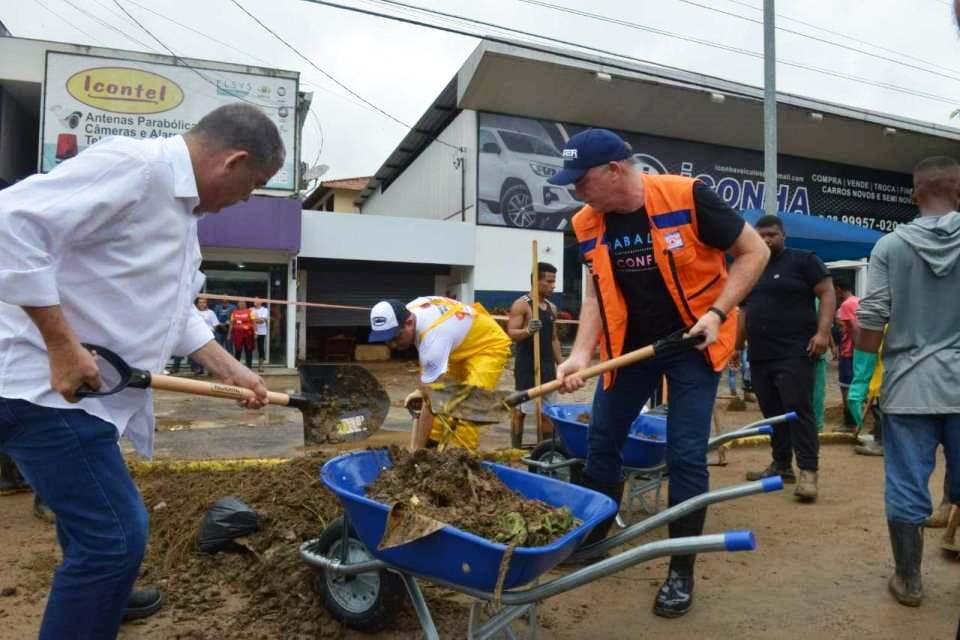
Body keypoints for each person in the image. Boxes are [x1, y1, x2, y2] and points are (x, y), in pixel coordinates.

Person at [0, 102, 279, 639]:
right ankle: (100, 595)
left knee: (97, 529)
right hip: (43, 388)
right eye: (254, 184)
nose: (247, 198)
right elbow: (12, 223)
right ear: (234, 161)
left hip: (87, 396)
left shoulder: (185, 221)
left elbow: (174, 317)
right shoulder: (136, 167)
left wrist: (232, 372)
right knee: (116, 537)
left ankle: (109, 595)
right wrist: (61, 344)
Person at [548, 129, 769, 618]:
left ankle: (680, 570)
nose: (574, 191)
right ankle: (596, 534)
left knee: (686, 455)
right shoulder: (588, 222)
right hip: (631, 348)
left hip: (693, 345)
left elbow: (755, 252)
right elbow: (594, 296)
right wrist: (581, 354)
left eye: (580, 180)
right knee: (601, 438)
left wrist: (716, 312)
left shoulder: (687, 197)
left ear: (615, 170)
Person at [856, 155, 960, 607]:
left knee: (905, 483)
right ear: (958, 192)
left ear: (915, 194)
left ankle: (909, 581)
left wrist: (867, 345)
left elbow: (871, 324)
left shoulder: (890, 247)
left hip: (909, 387)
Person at [740, 215, 835, 501]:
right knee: (772, 412)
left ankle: (808, 472)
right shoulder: (751, 265)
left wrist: (822, 333)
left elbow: (827, 292)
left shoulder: (804, 261)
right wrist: (735, 347)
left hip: (795, 351)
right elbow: (743, 311)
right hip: (759, 354)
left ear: (784, 235)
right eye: (762, 235)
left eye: (772, 234)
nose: (767, 240)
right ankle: (781, 465)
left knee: (797, 410)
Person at [368, 296, 512, 452]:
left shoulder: (433, 338)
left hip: (488, 346)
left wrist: (417, 451)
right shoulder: (410, 310)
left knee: (468, 410)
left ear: (409, 323)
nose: (392, 345)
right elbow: (429, 381)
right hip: (459, 346)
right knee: (442, 406)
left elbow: (430, 403)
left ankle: (461, 460)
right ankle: (432, 451)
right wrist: (421, 391)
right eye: (386, 340)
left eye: (395, 337)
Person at [506, 262, 563, 447]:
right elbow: (511, 333)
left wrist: (561, 364)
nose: (554, 285)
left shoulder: (552, 308)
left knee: (548, 412)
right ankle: (515, 449)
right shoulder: (522, 305)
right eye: (549, 281)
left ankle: (546, 449)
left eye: (554, 281)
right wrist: (528, 331)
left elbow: (554, 339)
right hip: (527, 367)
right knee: (521, 410)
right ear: (537, 282)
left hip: (547, 367)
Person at [835, 278, 860, 431]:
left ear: (838, 289)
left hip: (849, 352)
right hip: (856, 352)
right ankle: (855, 422)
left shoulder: (845, 305)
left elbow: (852, 327)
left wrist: (857, 349)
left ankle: (850, 423)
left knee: (846, 388)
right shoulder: (858, 301)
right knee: (856, 387)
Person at [229, 300, 256, 369]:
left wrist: (255, 332)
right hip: (237, 334)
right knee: (238, 350)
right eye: (240, 303)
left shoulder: (250, 311)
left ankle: (249, 367)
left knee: (248, 350)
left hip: (248, 334)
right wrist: (229, 333)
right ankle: (236, 368)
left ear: (245, 304)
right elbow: (231, 323)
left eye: (243, 303)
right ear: (238, 304)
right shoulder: (234, 312)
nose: (241, 304)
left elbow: (254, 322)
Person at [252, 298, 270, 372]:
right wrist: (256, 320)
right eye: (254, 301)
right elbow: (250, 320)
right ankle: (249, 365)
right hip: (252, 331)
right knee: (249, 348)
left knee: (261, 349)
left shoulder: (265, 310)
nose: (254, 302)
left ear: (261, 302)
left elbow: (262, 321)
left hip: (262, 332)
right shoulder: (251, 309)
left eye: (256, 301)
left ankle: (261, 365)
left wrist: (254, 320)